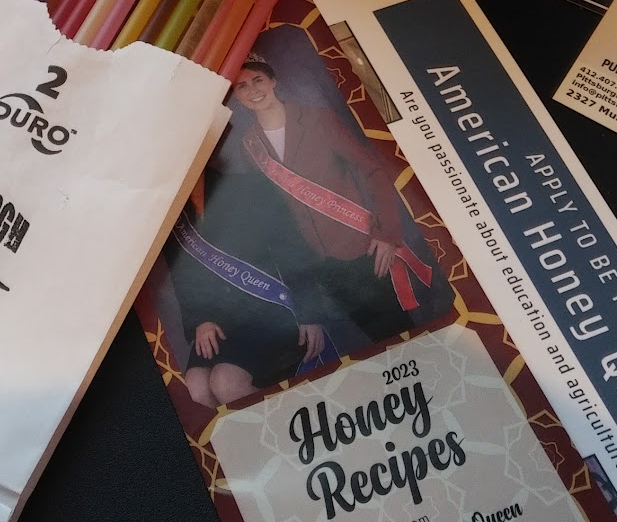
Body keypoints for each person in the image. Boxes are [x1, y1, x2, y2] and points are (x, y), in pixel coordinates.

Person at [231, 54, 429, 346]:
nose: (252, 90)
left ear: (273, 80)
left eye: (258, 80)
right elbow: (275, 217)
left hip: (363, 246)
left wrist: (387, 233)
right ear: (237, 95)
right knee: (377, 343)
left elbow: (372, 170)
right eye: (242, 86)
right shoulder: (250, 145)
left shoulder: (317, 119)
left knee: (404, 335)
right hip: (320, 262)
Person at [165, 166, 325, 407]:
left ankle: (287, 426)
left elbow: (291, 248)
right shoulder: (170, 214)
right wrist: (201, 320)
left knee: (226, 382)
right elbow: (183, 278)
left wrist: (309, 312)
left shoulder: (246, 187)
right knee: (196, 388)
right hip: (220, 320)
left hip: (269, 311)